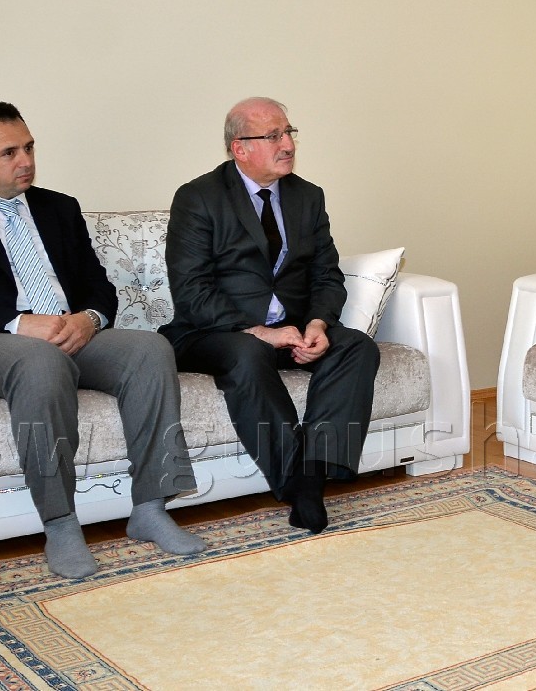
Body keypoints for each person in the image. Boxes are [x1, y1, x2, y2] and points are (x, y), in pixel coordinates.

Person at [0, 102, 204, 579]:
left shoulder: (58, 207)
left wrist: (89, 319)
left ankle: (151, 507)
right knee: (40, 362)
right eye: (9, 153)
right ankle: (61, 523)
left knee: (149, 350)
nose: (25, 161)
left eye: (29, 147)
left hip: (67, 332)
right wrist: (19, 323)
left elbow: (98, 285)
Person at [160, 97, 379, 534]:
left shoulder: (307, 196)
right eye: (274, 135)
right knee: (247, 353)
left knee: (356, 346)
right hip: (214, 332)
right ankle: (297, 483)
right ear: (239, 148)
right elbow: (191, 291)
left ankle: (313, 472)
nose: (288, 144)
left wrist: (317, 324)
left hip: (292, 329)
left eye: (289, 132)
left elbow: (327, 275)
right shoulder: (198, 198)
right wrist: (261, 332)